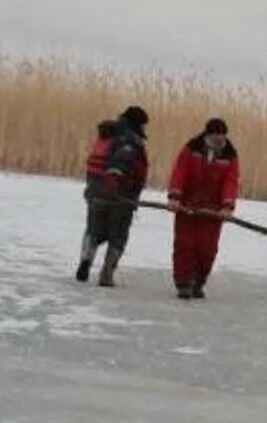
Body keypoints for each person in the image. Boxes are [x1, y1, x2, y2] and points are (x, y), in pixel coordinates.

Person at [166, 117, 241, 299]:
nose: (220, 139)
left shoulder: (230, 155)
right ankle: (183, 283)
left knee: (207, 249)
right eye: (216, 135)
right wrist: (175, 197)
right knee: (185, 245)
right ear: (208, 134)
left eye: (222, 135)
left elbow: (231, 181)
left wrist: (227, 206)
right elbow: (180, 172)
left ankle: (198, 282)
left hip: (213, 211)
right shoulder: (192, 148)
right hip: (187, 207)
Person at [78, 105, 150, 286]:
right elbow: (120, 162)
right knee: (118, 235)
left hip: (95, 191)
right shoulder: (129, 140)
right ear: (138, 123)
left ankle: (86, 259)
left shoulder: (108, 135)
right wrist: (114, 182)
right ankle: (107, 273)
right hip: (120, 195)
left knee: (94, 229)